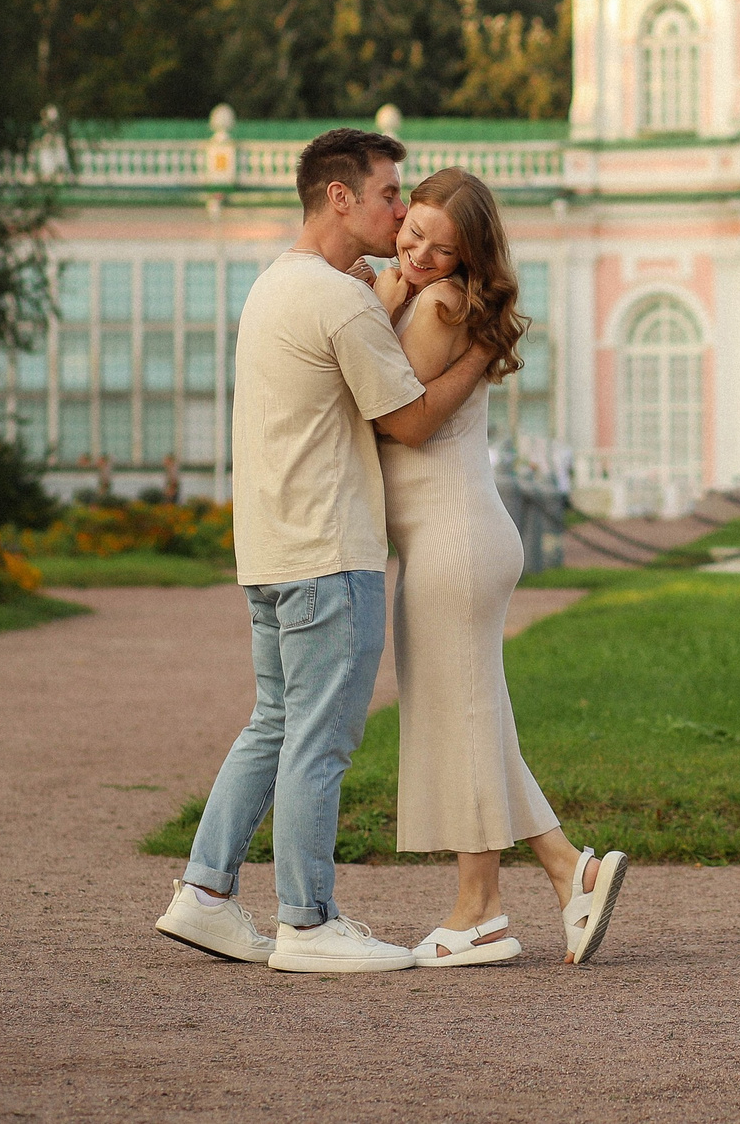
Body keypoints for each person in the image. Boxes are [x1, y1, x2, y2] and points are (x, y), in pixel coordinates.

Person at [153, 128, 489, 974]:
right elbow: (408, 419)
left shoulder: (278, 284)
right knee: (321, 739)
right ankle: (308, 920)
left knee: (275, 721)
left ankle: (205, 893)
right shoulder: (339, 300)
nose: (401, 209)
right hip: (329, 549)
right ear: (340, 197)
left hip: (269, 549)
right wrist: (483, 353)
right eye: (388, 194)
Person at [374, 168, 628, 967]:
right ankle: (569, 869)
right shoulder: (448, 303)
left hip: (453, 537)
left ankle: (480, 910)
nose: (415, 251)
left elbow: (390, 415)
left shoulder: (438, 305)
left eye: (437, 247)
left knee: (464, 720)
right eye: (411, 230)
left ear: (465, 257)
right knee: (476, 717)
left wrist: (378, 305)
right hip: (459, 533)